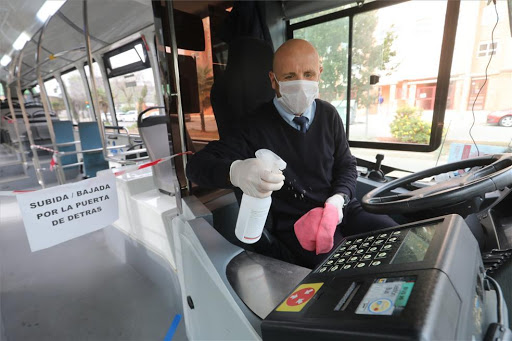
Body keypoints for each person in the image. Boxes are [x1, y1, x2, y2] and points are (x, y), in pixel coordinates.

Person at [186, 39, 396, 268]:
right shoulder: (253, 126)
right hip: (296, 223)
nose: (300, 83)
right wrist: (235, 171)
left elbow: (346, 165)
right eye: (289, 77)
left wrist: (338, 200)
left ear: (319, 74)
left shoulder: (329, 114)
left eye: (308, 74)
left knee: (395, 235)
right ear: (273, 81)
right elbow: (196, 166)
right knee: (340, 266)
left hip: (341, 209)